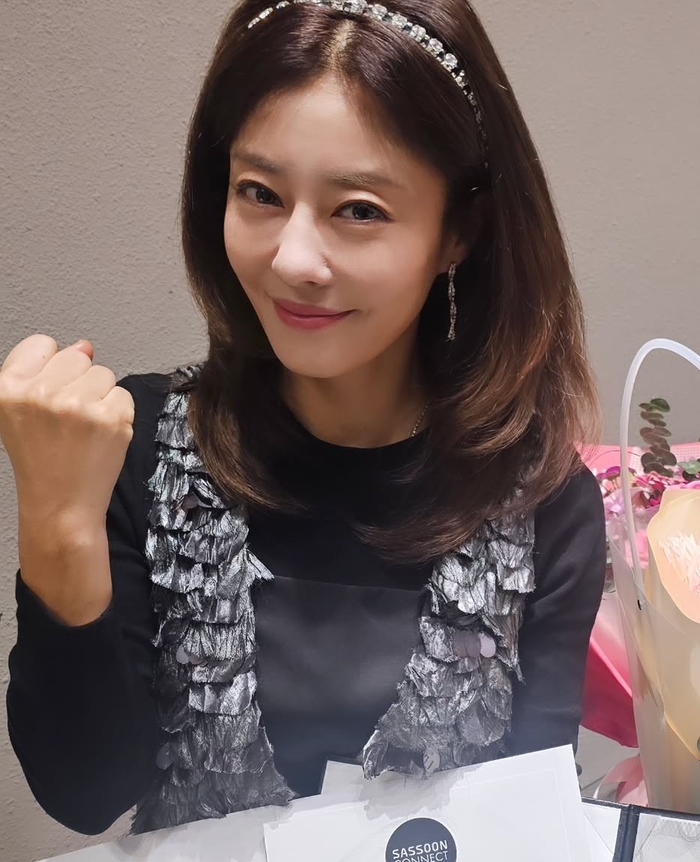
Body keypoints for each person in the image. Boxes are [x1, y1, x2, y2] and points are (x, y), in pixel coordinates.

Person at [2, 0, 606, 838]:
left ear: (458, 231)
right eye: (259, 193)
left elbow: (531, 821)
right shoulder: (137, 446)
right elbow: (85, 793)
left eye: (357, 209)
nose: (292, 259)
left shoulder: (544, 502)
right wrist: (57, 529)